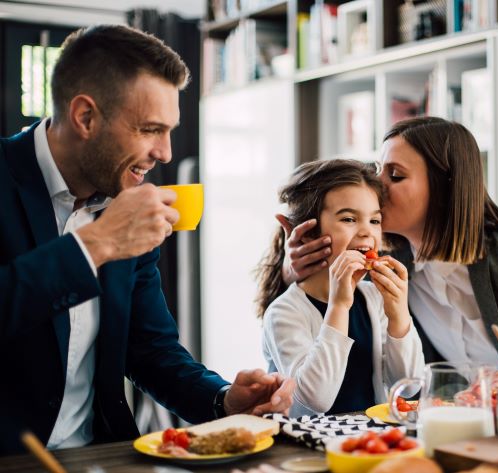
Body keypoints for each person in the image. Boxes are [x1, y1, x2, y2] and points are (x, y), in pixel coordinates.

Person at [0, 25, 294, 456]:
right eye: (150, 129)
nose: (166, 153)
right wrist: (96, 244)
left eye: (170, 130)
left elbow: (151, 350)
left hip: (98, 457)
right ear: (85, 117)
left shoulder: (128, 205)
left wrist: (224, 400)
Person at [279, 117, 498, 390]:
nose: (377, 185)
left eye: (396, 174)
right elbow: (301, 311)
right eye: (378, 170)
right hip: (459, 415)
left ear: (444, 186)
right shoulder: (387, 252)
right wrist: (296, 268)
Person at [256, 159, 424, 416]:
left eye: (375, 221)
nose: (367, 232)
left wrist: (399, 317)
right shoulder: (285, 313)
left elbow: (410, 387)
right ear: (308, 232)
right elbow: (314, 400)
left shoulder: (373, 298)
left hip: (371, 442)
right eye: (348, 219)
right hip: (309, 447)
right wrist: (339, 307)